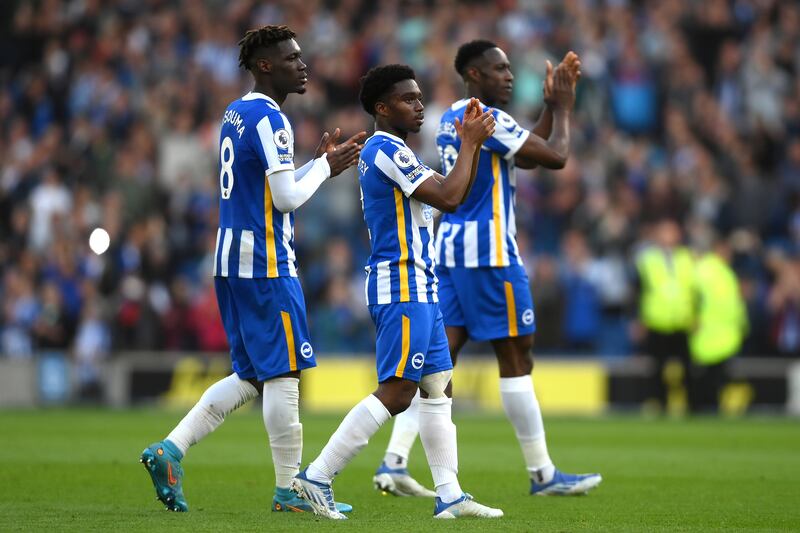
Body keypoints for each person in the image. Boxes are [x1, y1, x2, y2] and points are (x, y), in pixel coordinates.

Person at [139, 25, 365, 514]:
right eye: (292, 58)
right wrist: (325, 170)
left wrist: (320, 163)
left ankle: (170, 449)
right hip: (265, 263)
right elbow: (285, 199)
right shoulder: (272, 119)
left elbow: (269, 188)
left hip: (229, 260)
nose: (302, 64)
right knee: (284, 375)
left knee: (250, 375)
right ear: (265, 65)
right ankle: (290, 490)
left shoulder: (236, 111)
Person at [374, 41, 602, 497]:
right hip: (492, 255)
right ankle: (543, 474)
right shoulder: (487, 117)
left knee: (438, 363)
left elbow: (526, 150)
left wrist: (548, 107)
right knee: (517, 358)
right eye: (498, 69)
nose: (509, 75)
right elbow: (554, 156)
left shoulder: (452, 116)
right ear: (473, 75)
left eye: (510, 68)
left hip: (450, 253)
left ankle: (395, 461)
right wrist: (564, 107)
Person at [290, 64, 502, 520]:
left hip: (421, 286)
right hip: (401, 285)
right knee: (398, 391)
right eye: (409, 99)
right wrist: (470, 143)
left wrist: (470, 149)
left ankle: (449, 494)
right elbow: (448, 196)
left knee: (437, 386)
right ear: (382, 109)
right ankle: (317, 476)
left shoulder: (398, 151)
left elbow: (448, 196)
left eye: (421, 97)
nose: (420, 105)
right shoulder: (387, 149)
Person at [635, 218, 695, 412]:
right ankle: (659, 405)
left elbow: (694, 291)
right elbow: (638, 291)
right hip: (657, 322)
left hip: (682, 322)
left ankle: (689, 405)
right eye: (664, 232)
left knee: (687, 368)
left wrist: (695, 316)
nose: (668, 236)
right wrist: (640, 319)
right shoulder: (647, 260)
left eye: (672, 232)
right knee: (657, 369)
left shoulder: (688, 258)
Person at [688, 236, 748, 413]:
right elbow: (692, 297)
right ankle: (702, 409)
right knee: (707, 379)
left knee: (714, 379)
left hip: (722, 335)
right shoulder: (706, 270)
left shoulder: (723, 271)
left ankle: (708, 409)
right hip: (709, 334)